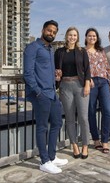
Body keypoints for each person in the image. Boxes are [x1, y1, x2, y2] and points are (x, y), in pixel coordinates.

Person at [23, 20, 68, 174]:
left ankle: (52, 156)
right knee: (42, 127)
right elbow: (28, 73)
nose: (52, 34)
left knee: (57, 123)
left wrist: (56, 77)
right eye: (49, 30)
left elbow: (44, 71)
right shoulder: (32, 48)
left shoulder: (50, 49)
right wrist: (37, 92)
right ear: (43, 30)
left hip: (51, 92)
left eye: (54, 32)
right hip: (40, 94)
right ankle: (44, 161)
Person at [54, 26, 91, 159]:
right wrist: (56, 76)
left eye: (75, 35)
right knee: (69, 119)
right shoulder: (59, 52)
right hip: (65, 86)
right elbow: (56, 69)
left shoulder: (82, 51)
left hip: (80, 86)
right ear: (66, 36)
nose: (72, 37)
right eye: (70, 35)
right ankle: (74, 145)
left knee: (83, 118)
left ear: (78, 37)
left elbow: (87, 70)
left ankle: (85, 145)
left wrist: (87, 84)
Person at [85, 28, 110, 153]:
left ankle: (105, 141)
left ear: (97, 38)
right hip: (91, 83)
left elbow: (107, 67)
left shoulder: (101, 51)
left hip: (103, 82)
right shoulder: (82, 51)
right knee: (91, 112)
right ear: (86, 37)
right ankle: (96, 139)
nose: (92, 38)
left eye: (94, 36)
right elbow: (81, 69)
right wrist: (87, 79)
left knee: (107, 111)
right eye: (90, 36)